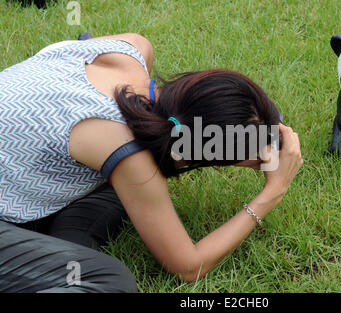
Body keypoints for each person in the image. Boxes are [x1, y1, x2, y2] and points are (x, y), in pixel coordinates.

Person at [0, 33, 303, 292]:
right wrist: (273, 190)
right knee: (109, 280)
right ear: (205, 156)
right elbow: (188, 266)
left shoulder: (130, 49)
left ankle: (60, 241)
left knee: (129, 185)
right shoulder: (128, 152)